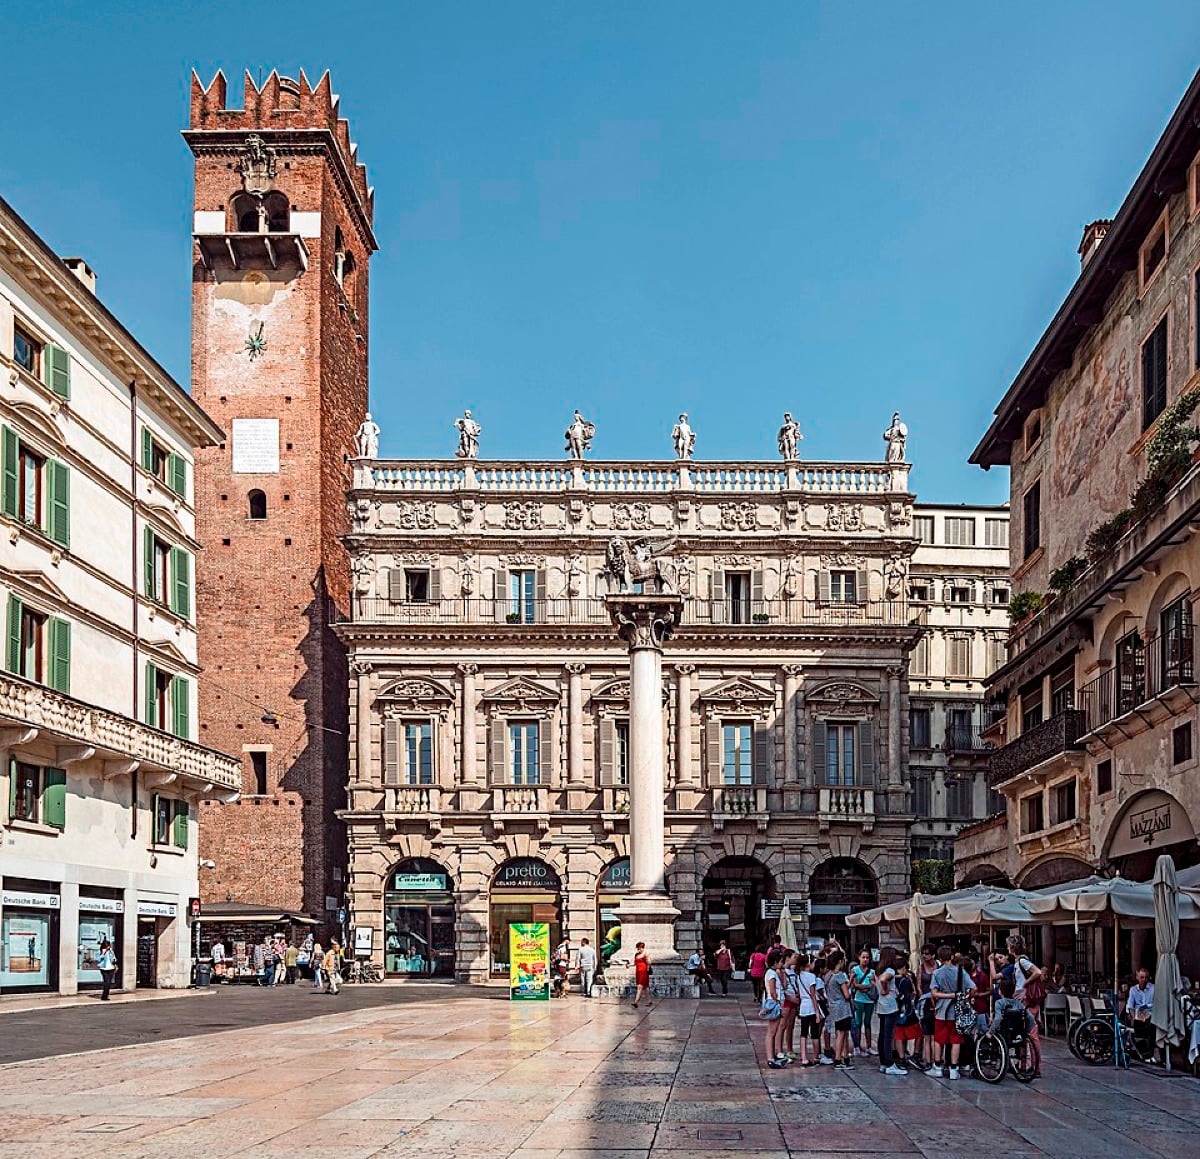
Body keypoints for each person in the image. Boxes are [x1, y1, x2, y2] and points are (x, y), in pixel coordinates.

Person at [928, 943, 973, 1080]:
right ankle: (954, 1069)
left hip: (941, 1010)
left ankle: (937, 1067)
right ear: (951, 956)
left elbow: (934, 993)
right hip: (957, 1011)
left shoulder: (937, 973)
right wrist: (963, 997)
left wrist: (948, 995)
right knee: (956, 1040)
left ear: (939, 958)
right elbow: (973, 988)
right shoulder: (960, 971)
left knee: (939, 1040)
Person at [874, 946, 907, 1075]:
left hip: (881, 1004)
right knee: (888, 1036)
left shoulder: (878, 969)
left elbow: (878, 979)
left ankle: (883, 1062)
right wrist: (885, 989)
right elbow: (883, 980)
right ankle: (889, 1063)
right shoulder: (890, 970)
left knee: (882, 1034)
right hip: (890, 1004)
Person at [825, 950, 855, 1071]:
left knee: (839, 1032)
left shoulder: (829, 975)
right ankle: (838, 1059)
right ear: (840, 961)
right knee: (842, 1034)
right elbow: (846, 995)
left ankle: (842, 1057)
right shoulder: (840, 976)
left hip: (833, 1006)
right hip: (843, 1007)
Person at [893, 954, 923, 1070]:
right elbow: (910, 995)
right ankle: (915, 1054)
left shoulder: (892, 979)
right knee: (918, 1033)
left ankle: (901, 1058)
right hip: (907, 1010)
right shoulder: (905, 980)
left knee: (899, 1035)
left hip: (896, 1010)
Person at [1126, 967, 1159, 1063]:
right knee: (1135, 1027)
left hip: (1151, 1014)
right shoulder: (1133, 990)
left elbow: (1156, 1003)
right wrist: (1130, 1013)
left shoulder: (1153, 988)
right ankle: (1144, 1053)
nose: (1144, 980)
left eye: (1145, 977)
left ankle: (1149, 1053)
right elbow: (1130, 1004)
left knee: (1151, 1026)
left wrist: (1146, 1007)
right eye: (1141, 977)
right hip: (1138, 1015)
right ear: (1137, 978)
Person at [763, 949, 788, 1068]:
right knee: (771, 1032)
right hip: (774, 1003)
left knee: (773, 1031)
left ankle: (772, 1056)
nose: (782, 964)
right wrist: (778, 1002)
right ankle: (770, 1058)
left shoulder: (772, 973)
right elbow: (773, 991)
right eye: (781, 961)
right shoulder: (771, 974)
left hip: (775, 1002)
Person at [850, 948, 877, 1057]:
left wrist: (864, 987)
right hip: (859, 999)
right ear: (859, 958)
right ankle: (857, 1046)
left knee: (868, 1023)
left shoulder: (872, 971)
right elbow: (855, 985)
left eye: (867, 957)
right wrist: (867, 986)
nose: (865, 959)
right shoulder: (855, 970)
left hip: (869, 1000)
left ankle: (869, 1046)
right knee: (858, 1023)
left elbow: (874, 985)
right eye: (863, 957)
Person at [779, 950, 801, 1062]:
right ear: (787, 958)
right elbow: (781, 989)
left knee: (791, 1026)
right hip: (787, 1000)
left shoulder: (793, 971)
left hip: (794, 1000)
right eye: (794, 957)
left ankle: (789, 1049)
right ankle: (779, 1050)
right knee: (782, 1026)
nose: (795, 959)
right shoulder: (782, 971)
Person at [632, 941, 652, 1009]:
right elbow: (634, 963)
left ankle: (636, 1002)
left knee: (640, 986)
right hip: (638, 972)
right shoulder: (636, 954)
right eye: (637, 948)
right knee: (645, 988)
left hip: (643, 972)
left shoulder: (646, 954)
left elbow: (649, 962)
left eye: (640, 948)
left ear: (643, 948)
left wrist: (646, 959)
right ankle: (649, 1001)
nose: (638, 950)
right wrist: (628, 965)